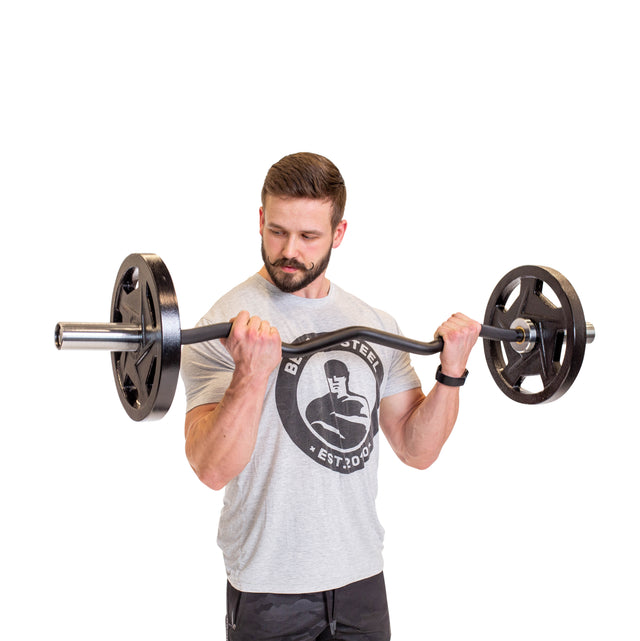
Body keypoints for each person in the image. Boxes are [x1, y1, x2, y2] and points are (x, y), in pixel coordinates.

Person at [181, 152, 481, 640]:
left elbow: (416, 449)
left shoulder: (377, 325)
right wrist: (251, 375)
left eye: (309, 236)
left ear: (338, 234)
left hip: (361, 579)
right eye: (277, 231)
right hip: (268, 589)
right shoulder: (223, 328)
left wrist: (451, 372)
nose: (289, 250)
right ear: (260, 220)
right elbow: (211, 469)